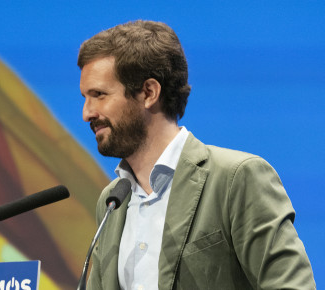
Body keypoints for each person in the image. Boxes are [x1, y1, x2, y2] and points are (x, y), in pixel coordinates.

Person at [78, 20, 315, 289]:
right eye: (85, 97)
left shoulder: (235, 179)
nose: (87, 113)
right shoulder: (111, 203)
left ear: (148, 93)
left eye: (98, 95)